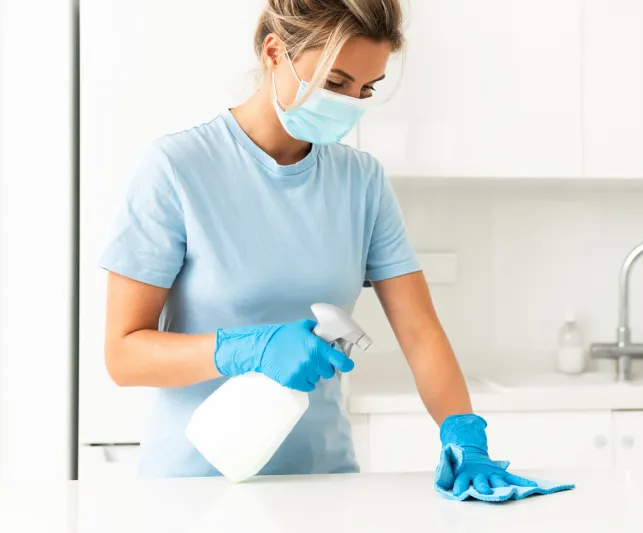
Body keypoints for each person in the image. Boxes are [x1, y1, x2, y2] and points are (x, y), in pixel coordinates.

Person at [101, 0, 535, 498]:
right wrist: (249, 349)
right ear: (274, 52)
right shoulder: (177, 169)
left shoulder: (362, 181)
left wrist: (462, 431)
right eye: (335, 82)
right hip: (194, 488)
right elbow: (123, 354)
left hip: (323, 486)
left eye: (365, 89)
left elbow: (419, 332)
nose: (349, 102)